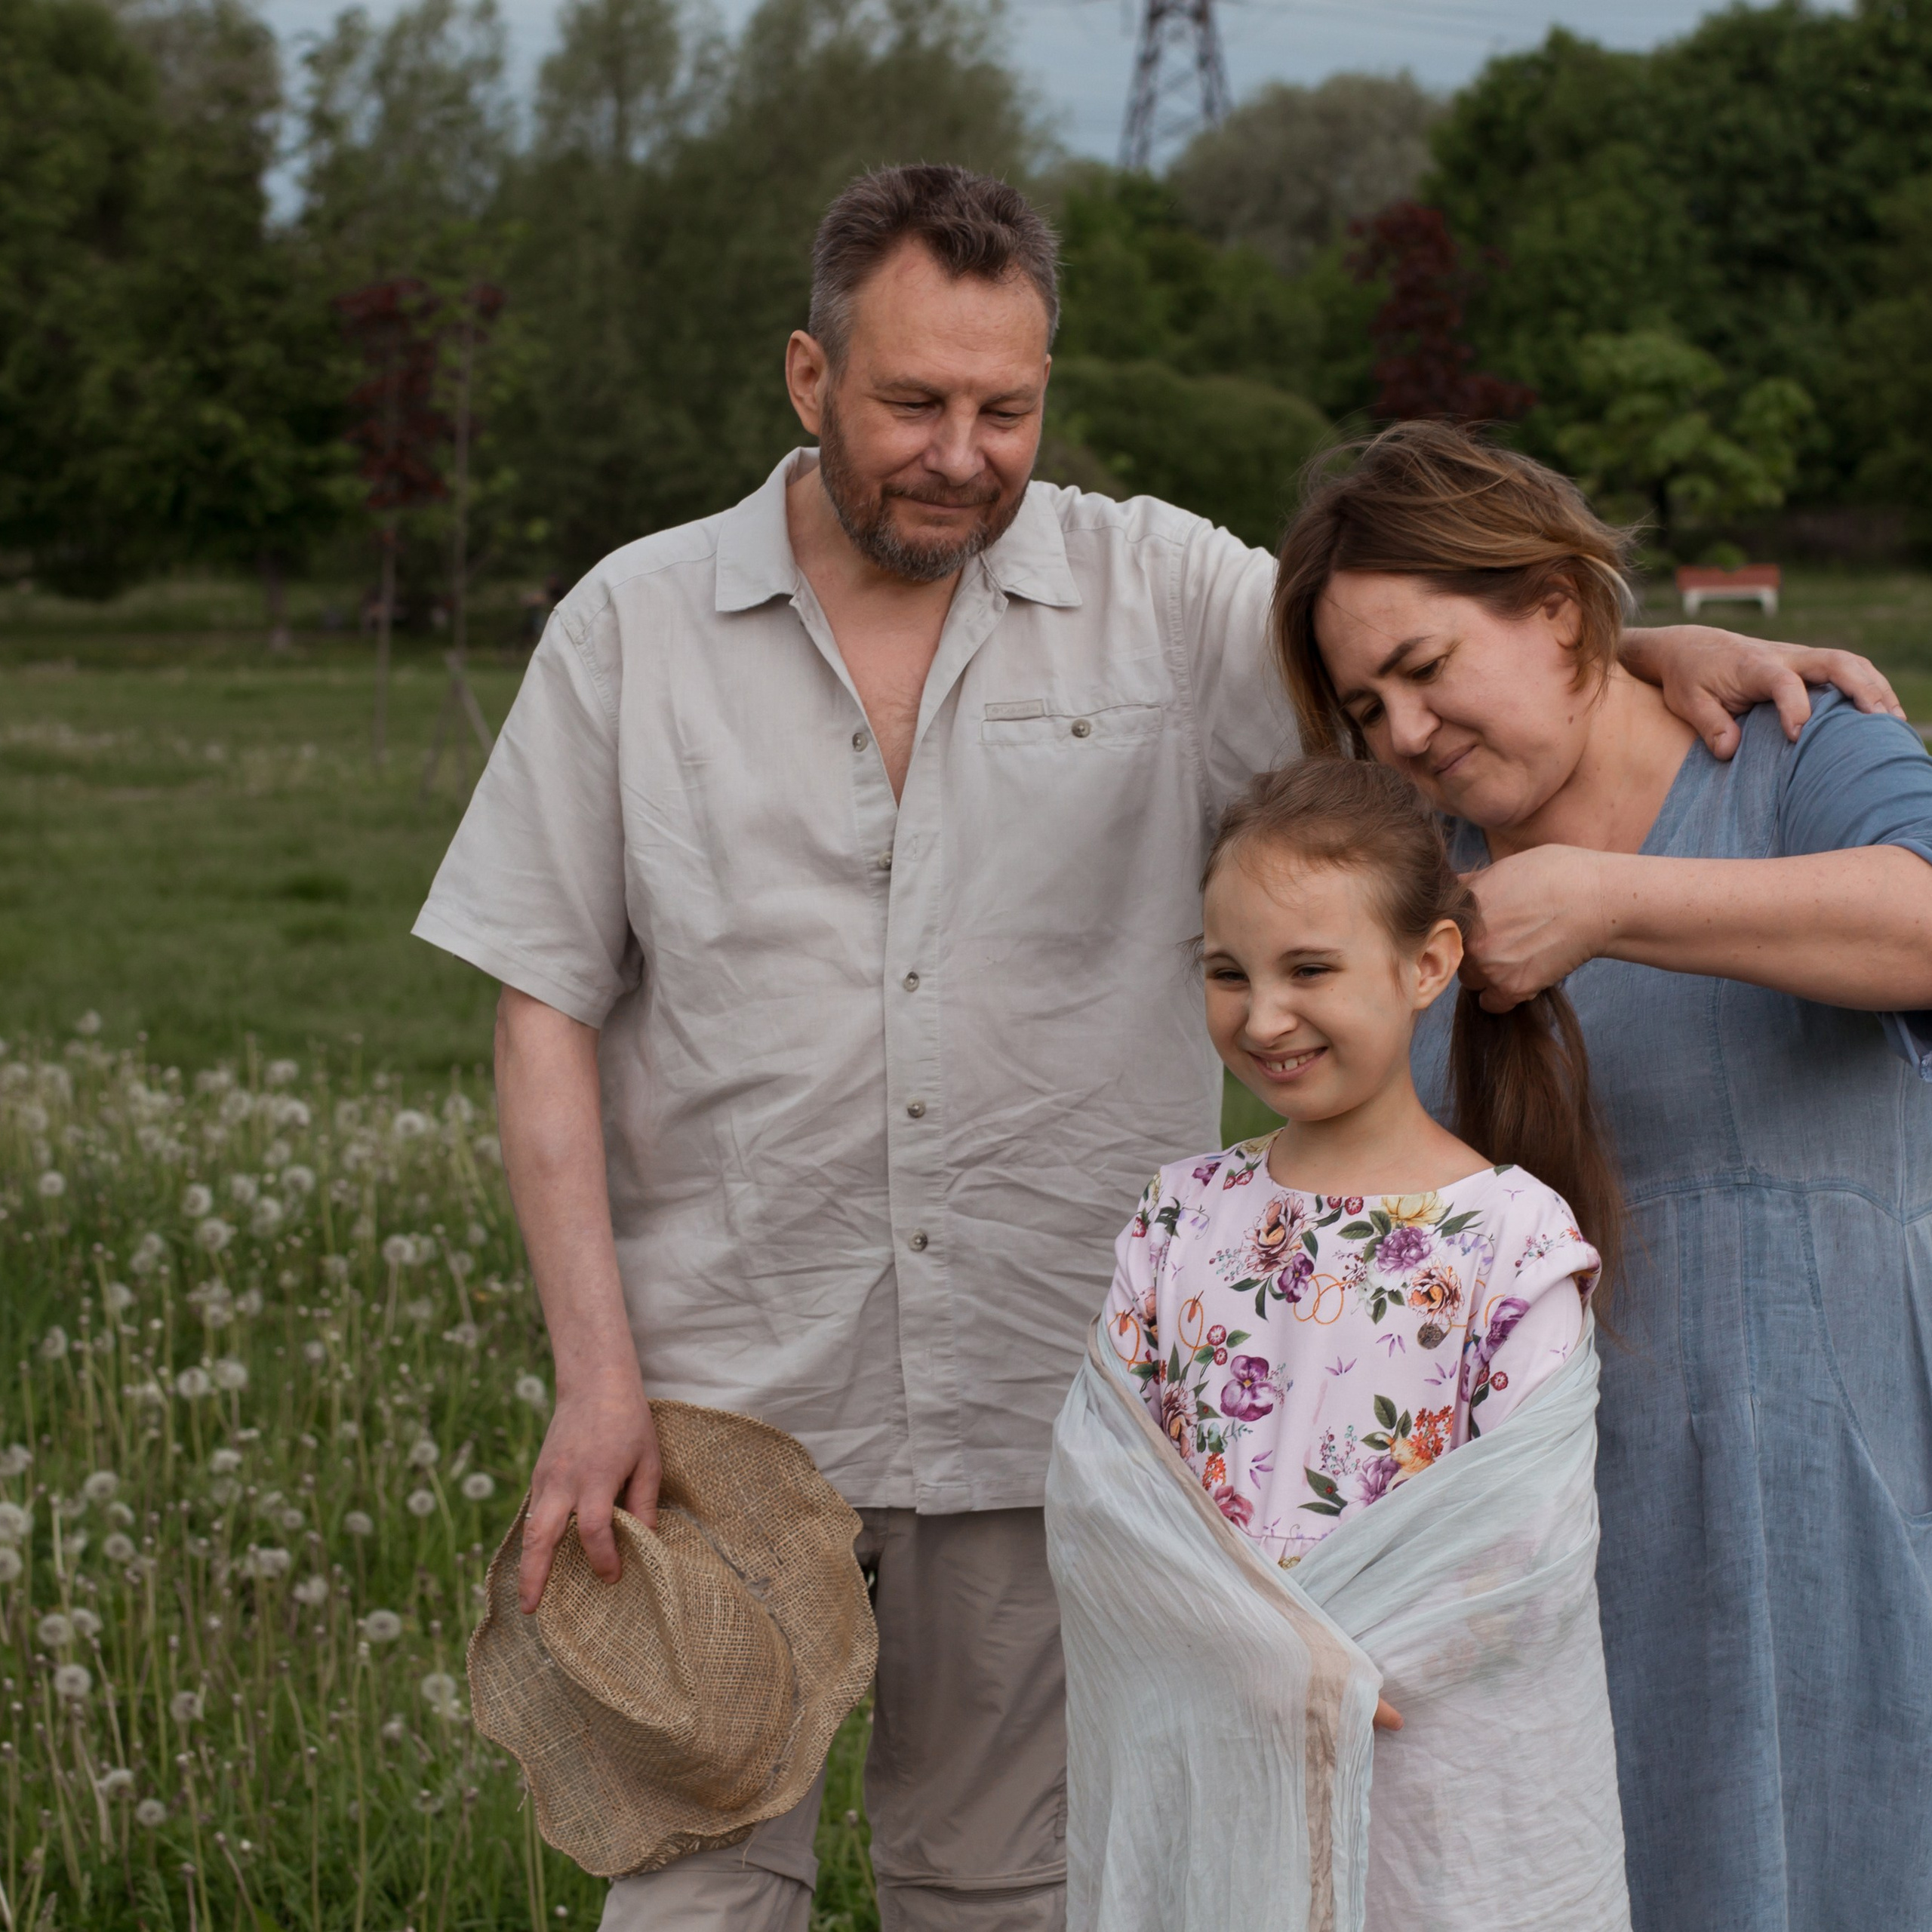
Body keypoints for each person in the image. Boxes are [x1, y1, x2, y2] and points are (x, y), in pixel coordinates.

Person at [413, 164, 1901, 1932]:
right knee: (690, 1893)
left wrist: (1629, 646)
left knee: (999, 1891)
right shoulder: (630, 626)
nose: (958, 452)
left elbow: (1402, 679)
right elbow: (541, 1006)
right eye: (910, 401)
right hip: (724, 1398)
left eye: (1003, 408)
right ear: (808, 377)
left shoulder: (1168, 594)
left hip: (1049, 1399)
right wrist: (594, 1376)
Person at [1273, 420, 1932, 1932]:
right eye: (1368, 705)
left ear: (1557, 610)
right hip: (1550, 1559)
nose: (1405, 728)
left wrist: (1607, 900)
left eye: (1427, 667)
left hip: (1846, 1507)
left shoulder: (1798, 750)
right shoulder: (1411, 887)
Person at [1056, 755, 1628, 1927]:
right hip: (1217, 1744)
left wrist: (1326, 1676)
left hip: (1431, 1771)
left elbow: (1527, 1542)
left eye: (1309, 969)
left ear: (1428, 964)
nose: (1264, 1017)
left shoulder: (1510, 1242)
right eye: (1229, 972)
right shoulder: (1180, 1219)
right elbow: (1106, 1497)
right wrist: (1254, 1663)